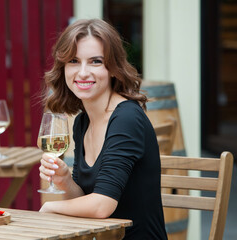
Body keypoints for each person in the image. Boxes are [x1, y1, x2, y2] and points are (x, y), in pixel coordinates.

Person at [38, 19, 168, 239]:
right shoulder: (83, 122)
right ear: (64, 68)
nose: (83, 72)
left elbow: (102, 206)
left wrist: (50, 208)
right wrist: (65, 180)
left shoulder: (126, 118)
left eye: (95, 61)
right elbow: (87, 197)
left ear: (114, 69)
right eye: (73, 61)